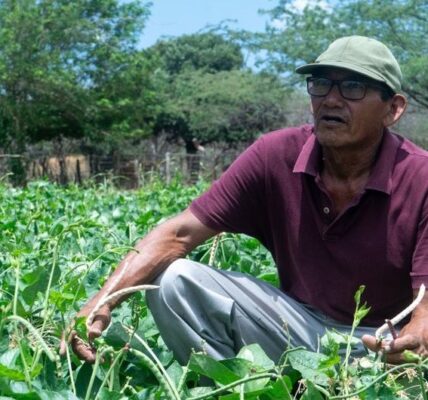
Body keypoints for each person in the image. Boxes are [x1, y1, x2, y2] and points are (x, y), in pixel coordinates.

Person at [62, 36, 428, 365]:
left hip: (382, 344)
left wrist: (412, 342)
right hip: (295, 329)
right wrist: (104, 299)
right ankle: (240, 388)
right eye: (320, 84)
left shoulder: (420, 177)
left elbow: (425, 308)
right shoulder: (276, 155)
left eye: (353, 87)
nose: (330, 99)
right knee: (173, 280)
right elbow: (179, 234)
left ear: (393, 109)